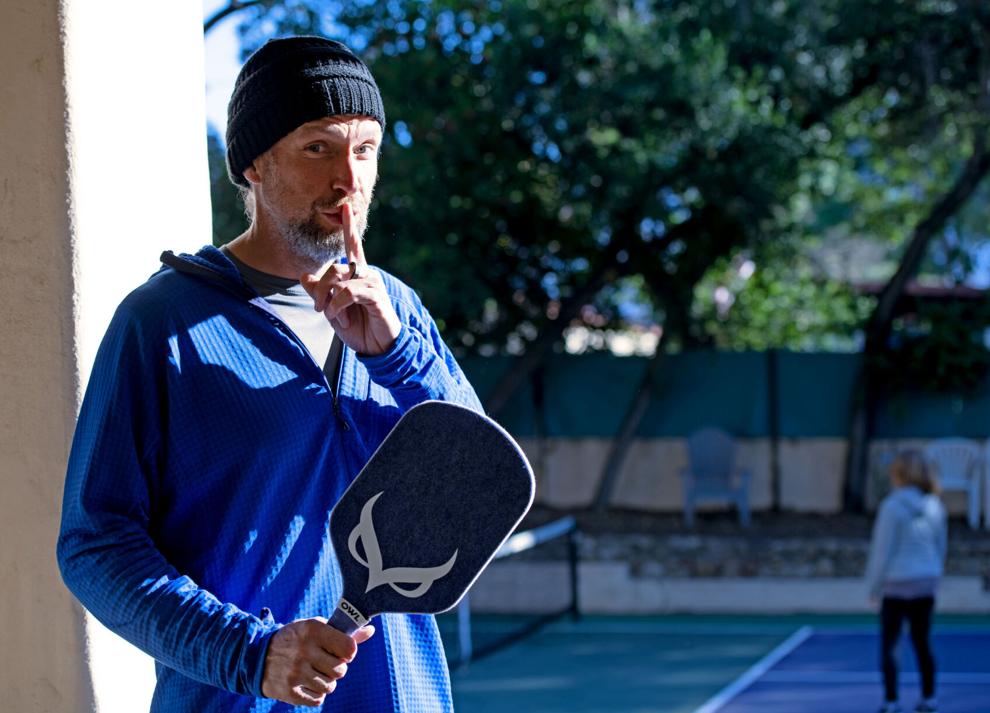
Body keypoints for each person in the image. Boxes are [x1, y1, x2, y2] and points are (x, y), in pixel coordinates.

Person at [57, 36, 482, 712]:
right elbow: (93, 541)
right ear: (254, 164)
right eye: (319, 147)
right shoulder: (159, 322)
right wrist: (247, 653)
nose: (350, 177)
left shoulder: (398, 309)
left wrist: (398, 360)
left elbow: (480, 478)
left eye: (365, 149)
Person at [865, 450, 948, 713]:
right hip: (925, 582)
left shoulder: (891, 506)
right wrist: (935, 576)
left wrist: (873, 587)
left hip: (897, 583)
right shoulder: (935, 505)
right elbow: (940, 547)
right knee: (922, 642)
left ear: (898, 473)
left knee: (890, 644)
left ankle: (891, 702)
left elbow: (882, 551)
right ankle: (929, 697)